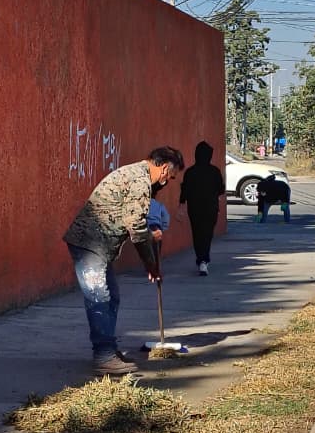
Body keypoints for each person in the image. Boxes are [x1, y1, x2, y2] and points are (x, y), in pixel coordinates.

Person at [64, 147, 185, 376]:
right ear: (164, 168)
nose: (168, 182)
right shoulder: (140, 180)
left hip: (99, 245)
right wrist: (151, 264)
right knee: (99, 297)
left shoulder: (137, 174)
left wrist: (150, 237)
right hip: (90, 243)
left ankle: (108, 349)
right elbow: (136, 228)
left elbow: (136, 222)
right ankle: (104, 357)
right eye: (171, 176)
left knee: (111, 297)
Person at [179, 141, 225, 276]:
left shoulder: (190, 172)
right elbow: (220, 189)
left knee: (197, 234)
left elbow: (184, 190)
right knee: (207, 234)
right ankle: (204, 259)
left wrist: (181, 204)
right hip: (211, 208)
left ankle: (201, 259)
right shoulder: (214, 171)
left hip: (194, 209)